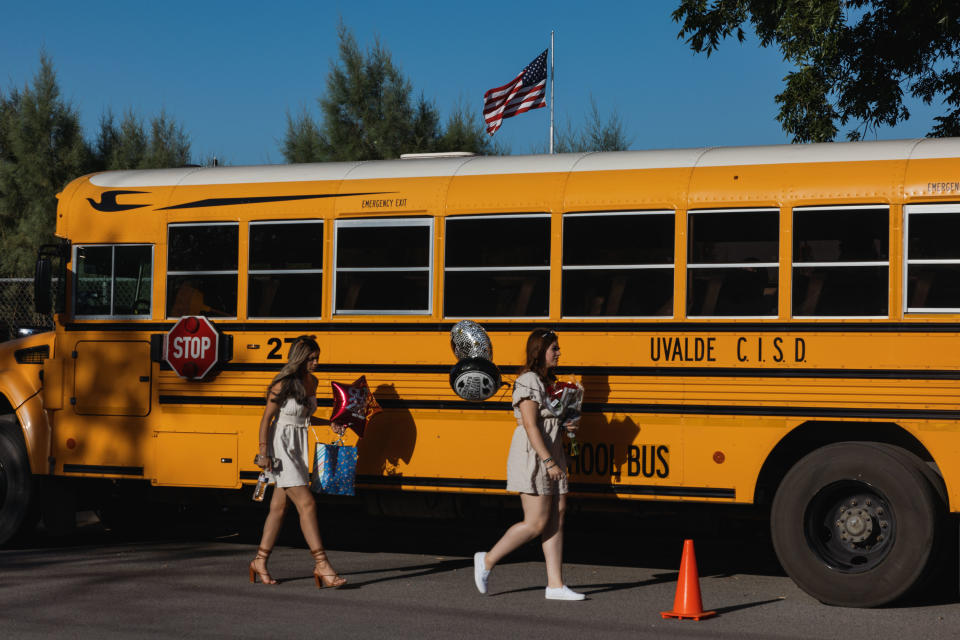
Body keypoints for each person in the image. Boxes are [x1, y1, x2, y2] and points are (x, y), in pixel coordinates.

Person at [473, 329, 584, 601]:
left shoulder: (549, 381)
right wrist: (547, 461)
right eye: (554, 348)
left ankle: (555, 585)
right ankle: (487, 560)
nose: (558, 353)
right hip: (534, 455)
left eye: (558, 348)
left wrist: (568, 424)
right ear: (539, 351)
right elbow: (531, 425)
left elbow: (549, 420)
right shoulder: (528, 380)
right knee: (535, 522)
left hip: (554, 450)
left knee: (557, 516)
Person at [248, 335, 347, 589]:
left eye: (317, 358)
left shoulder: (312, 381)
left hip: (299, 445)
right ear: (300, 359)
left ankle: (260, 560)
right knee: (307, 503)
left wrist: (330, 423)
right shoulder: (282, 383)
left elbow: (303, 419)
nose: (316, 362)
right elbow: (266, 419)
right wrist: (264, 453)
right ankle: (322, 564)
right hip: (280, 446)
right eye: (311, 358)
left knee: (279, 509)